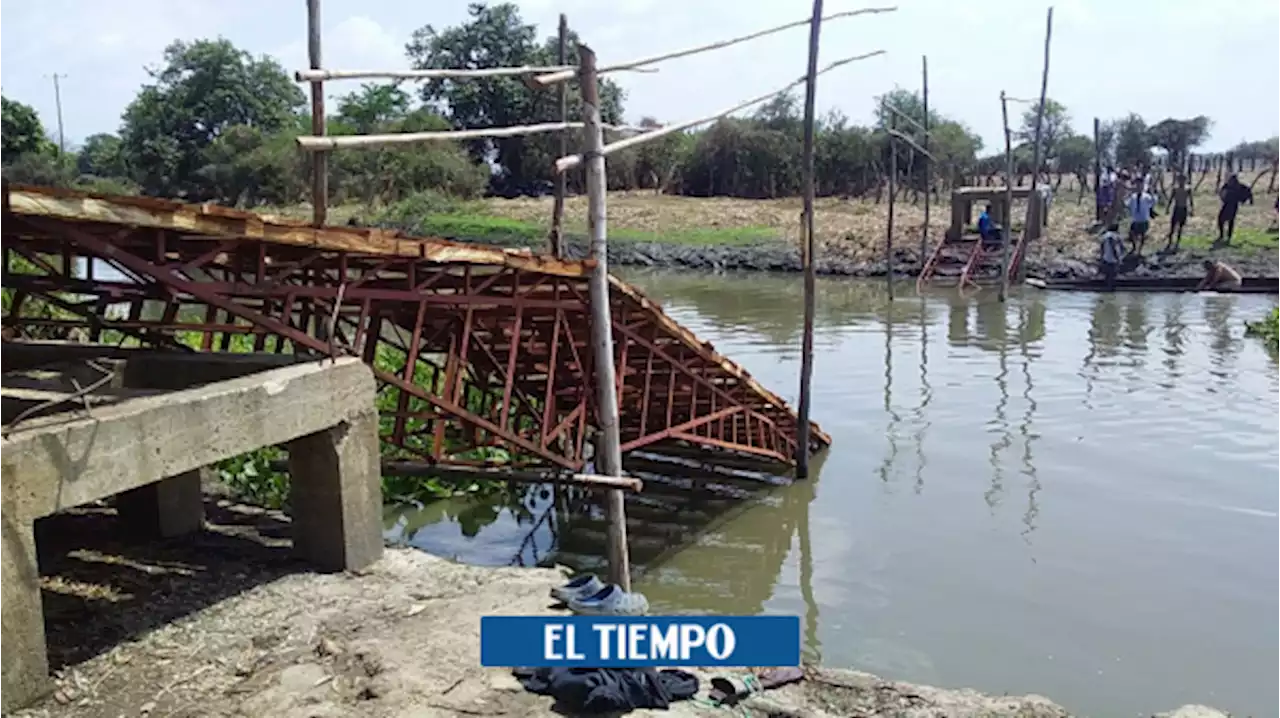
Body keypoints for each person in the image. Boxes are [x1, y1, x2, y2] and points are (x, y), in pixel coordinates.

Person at [1216, 173, 1254, 244]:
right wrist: (1222, 195)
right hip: (1226, 204)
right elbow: (1222, 192)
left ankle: (1228, 236)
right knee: (1220, 219)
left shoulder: (1239, 186)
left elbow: (1248, 191)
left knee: (1230, 221)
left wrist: (1250, 200)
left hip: (1233, 205)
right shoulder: (1227, 185)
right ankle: (1222, 235)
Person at [1125, 181, 1157, 255]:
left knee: (1142, 235)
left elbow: (1153, 202)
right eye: (1137, 186)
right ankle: (1134, 247)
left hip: (1144, 219)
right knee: (1132, 234)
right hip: (1135, 219)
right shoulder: (1133, 196)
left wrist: (1152, 193)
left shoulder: (1146, 196)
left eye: (1140, 186)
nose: (1139, 188)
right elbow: (1128, 204)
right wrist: (1126, 196)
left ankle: (1139, 250)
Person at [1164, 174, 1193, 251]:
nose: (1181, 182)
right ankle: (1170, 242)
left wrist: (1192, 209)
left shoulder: (1188, 189)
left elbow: (1190, 200)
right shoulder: (1175, 189)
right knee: (1172, 227)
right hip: (1176, 208)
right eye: (1180, 180)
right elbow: (1171, 199)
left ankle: (1177, 242)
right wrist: (1167, 208)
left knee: (1180, 227)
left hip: (1184, 209)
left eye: (1183, 180)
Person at [1098, 222, 1125, 290]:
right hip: (1113, 259)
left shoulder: (1105, 236)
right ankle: (1111, 290)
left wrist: (1101, 256)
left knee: (1107, 275)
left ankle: (1107, 290)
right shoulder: (1115, 236)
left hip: (1106, 258)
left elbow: (1101, 247)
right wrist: (1118, 258)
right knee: (1112, 275)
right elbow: (1115, 247)